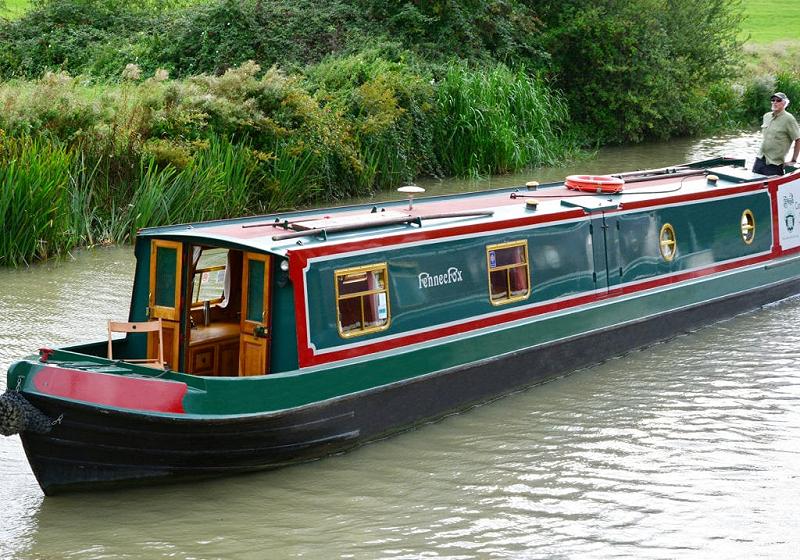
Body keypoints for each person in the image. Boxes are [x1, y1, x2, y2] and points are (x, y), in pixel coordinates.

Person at [753, 92, 800, 176]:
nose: (775, 102)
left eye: (778, 100)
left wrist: (793, 160)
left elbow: (798, 139)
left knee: (772, 186)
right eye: (773, 100)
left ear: (784, 103)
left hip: (775, 164)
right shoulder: (766, 116)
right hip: (760, 159)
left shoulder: (789, 119)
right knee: (752, 184)